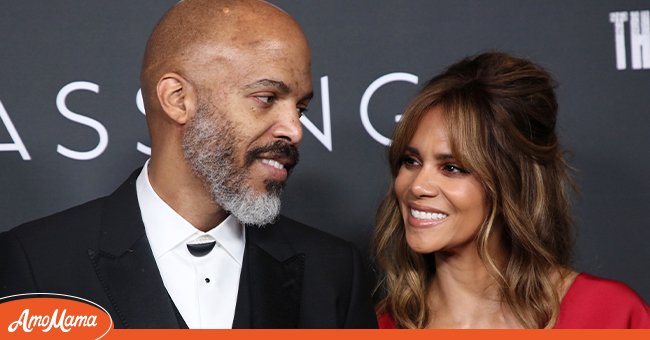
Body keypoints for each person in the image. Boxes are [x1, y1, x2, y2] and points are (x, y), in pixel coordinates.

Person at [0, 0, 377, 329]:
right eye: (266, 97)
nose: (294, 129)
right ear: (178, 99)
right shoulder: (37, 263)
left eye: (301, 107)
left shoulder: (334, 273)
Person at [373, 52, 650, 328]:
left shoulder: (610, 315)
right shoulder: (381, 326)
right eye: (411, 161)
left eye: (452, 168)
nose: (417, 186)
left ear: (511, 182)